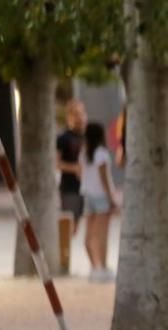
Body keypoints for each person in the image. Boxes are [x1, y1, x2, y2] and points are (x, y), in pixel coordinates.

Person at [79, 122, 118, 282]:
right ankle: (101, 266)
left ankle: (95, 266)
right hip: (101, 195)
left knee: (89, 234)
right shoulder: (101, 153)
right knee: (101, 235)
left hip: (88, 194)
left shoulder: (84, 153)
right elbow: (104, 178)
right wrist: (112, 198)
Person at [57, 99, 87, 235]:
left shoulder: (88, 137)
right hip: (70, 188)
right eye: (76, 114)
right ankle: (64, 254)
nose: (80, 117)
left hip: (87, 187)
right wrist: (74, 168)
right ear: (69, 116)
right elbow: (57, 163)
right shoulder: (63, 138)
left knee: (82, 226)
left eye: (81, 113)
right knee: (69, 227)